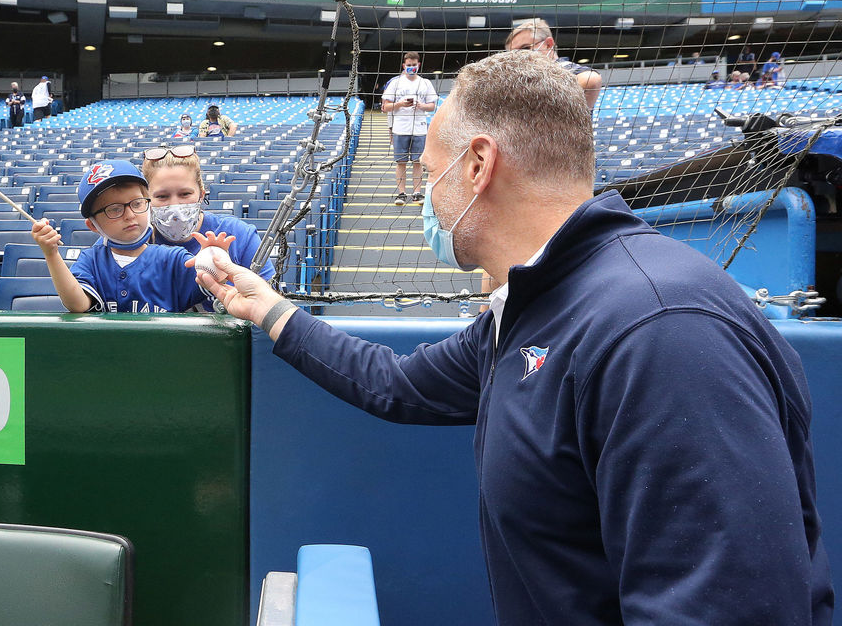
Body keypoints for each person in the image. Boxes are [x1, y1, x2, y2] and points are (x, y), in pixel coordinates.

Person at [194, 49, 832, 626]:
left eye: (432, 169)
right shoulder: (537, 303)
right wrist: (269, 308)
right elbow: (397, 384)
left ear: (477, 165)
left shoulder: (662, 330)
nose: (426, 197)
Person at [29, 159, 227, 313]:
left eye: (137, 203)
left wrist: (216, 263)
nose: (130, 215)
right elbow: (77, 304)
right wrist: (51, 254)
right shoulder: (91, 261)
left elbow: (212, 285)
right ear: (93, 225)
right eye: (114, 209)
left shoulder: (173, 258)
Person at [141, 144, 275, 290]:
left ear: (201, 194)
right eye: (162, 196)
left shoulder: (240, 235)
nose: (175, 206)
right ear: (146, 199)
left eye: (185, 194)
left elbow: (272, 299)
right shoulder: (138, 243)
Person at [505, 17, 602, 110]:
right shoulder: (519, 78)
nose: (520, 57)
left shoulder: (568, 69)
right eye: (514, 54)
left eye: (525, 48)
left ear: (548, 44)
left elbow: (591, 80)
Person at [381, 51, 437, 206]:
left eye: (414, 65)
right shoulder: (396, 83)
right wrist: (400, 104)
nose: (411, 67)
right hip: (400, 128)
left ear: (418, 65)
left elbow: (432, 106)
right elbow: (385, 106)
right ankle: (401, 193)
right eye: (408, 65)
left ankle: (417, 193)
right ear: (403, 65)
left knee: (418, 162)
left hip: (419, 128)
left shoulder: (425, 83)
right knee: (401, 162)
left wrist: (421, 105)